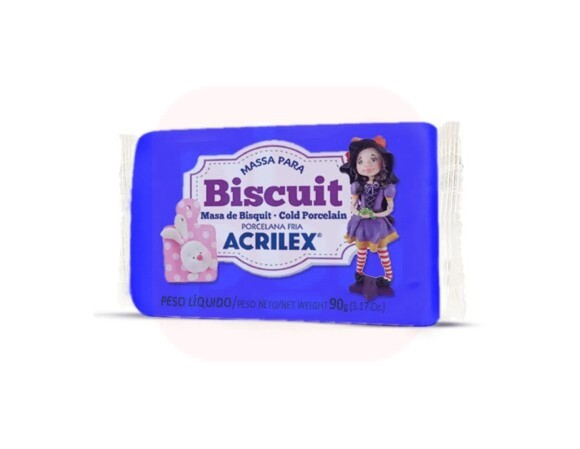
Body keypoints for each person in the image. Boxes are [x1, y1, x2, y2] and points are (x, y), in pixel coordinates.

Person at [339, 136, 399, 287]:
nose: (366, 165)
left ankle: (388, 276)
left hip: (378, 223)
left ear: (383, 162)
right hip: (361, 222)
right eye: (360, 161)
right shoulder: (357, 186)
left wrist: (375, 214)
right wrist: (359, 213)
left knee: (382, 250)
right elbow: (352, 205)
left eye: (373, 159)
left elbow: (389, 208)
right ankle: (359, 273)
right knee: (361, 250)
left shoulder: (386, 187)